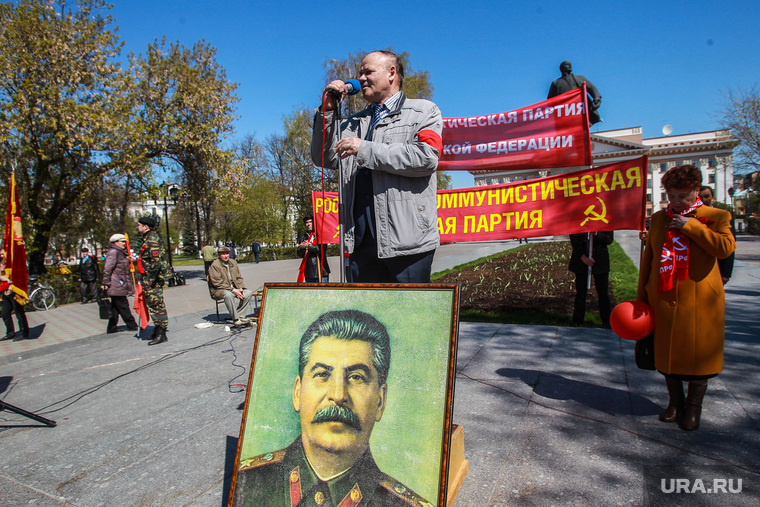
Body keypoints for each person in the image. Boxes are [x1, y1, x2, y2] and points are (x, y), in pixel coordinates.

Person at [233, 310, 429, 506]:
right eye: (322, 375)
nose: (338, 395)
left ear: (380, 401)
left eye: (356, 377)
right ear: (297, 393)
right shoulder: (245, 482)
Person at [311, 50, 443, 283]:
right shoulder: (353, 122)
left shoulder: (424, 111)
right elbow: (325, 158)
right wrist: (328, 112)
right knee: (367, 317)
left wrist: (365, 149)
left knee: (409, 316)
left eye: (368, 71)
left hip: (407, 242)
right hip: (361, 242)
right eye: (360, 72)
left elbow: (427, 158)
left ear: (392, 72)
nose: (361, 78)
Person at [637, 165, 736, 431]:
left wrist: (691, 226)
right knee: (668, 355)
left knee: (698, 357)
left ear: (696, 190)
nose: (678, 202)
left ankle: (693, 408)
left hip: (701, 301)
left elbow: (725, 249)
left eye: (684, 195)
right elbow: (649, 261)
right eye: (672, 196)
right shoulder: (658, 219)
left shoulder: (717, 216)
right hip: (664, 298)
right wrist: (641, 298)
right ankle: (675, 402)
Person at [568, 231, 614, 328]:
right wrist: (583, 257)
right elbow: (574, 240)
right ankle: (578, 320)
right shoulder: (579, 221)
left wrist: (597, 234)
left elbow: (609, 240)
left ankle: (606, 320)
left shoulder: (604, 221)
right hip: (582, 262)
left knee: (603, 293)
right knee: (581, 292)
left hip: (600, 261)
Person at [136, 216, 170, 345]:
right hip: (149, 278)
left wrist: (150, 278)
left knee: (156, 304)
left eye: (139, 225)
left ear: (146, 226)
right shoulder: (148, 238)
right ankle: (157, 330)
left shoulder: (152, 240)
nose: (137, 227)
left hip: (153, 279)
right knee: (153, 304)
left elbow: (156, 262)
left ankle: (162, 333)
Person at [208, 245, 254, 326]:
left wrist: (240, 288)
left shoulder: (233, 263)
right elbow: (217, 283)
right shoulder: (215, 265)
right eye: (223, 254)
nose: (226, 256)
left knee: (248, 293)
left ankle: (240, 315)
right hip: (218, 290)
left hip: (234, 288)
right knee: (228, 295)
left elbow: (238, 277)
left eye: (227, 254)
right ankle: (235, 318)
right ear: (219, 255)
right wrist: (233, 290)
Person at [101, 234, 138, 334]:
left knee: (115, 307)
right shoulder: (114, 252)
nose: (124, 244)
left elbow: (119, 264)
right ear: (115, 242)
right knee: (123, 305)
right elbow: (108, 268)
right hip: (116, 284)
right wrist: (105, 282)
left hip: (118, 283)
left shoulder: (119, 253)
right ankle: (132, 324)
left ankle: (111, 327)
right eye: (122, 242)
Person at [699, 186, 736, 284]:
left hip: (718, 266)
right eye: (700, 197)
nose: (703, 200)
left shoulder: (722, 216)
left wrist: (726, 273)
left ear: (713, 198)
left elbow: (730, 246)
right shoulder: (691, 216)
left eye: (707, 196)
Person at [547, 60, 602, 125]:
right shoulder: (556, 83)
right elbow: (550, 101)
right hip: (564, 113)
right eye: (567, 64)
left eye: (570, 64)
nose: (570, 66)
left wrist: (596, 98)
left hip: (580, 110)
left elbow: (591, 88)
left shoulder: (580, 78)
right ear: (562, 68)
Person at [0, 253, 29, 342]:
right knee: (5, 313)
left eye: (3, 253)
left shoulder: (14, 263)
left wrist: (7, 278)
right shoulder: (1, 264)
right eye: (0, 254)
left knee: (19, 312)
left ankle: (24, 332)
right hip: (5, 292)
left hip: (14, 291)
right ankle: (10, 333)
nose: (2, 255)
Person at [297, 215, 331, 283]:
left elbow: (321, 249)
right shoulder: (302, 237)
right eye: (307, 222)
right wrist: (302, 248)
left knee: (323, 291)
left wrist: (308, 246)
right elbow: (300, 254)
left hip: (321, 269)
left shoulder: (320, 235)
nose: (308, 224)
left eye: (310, 222)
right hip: (309, 271)